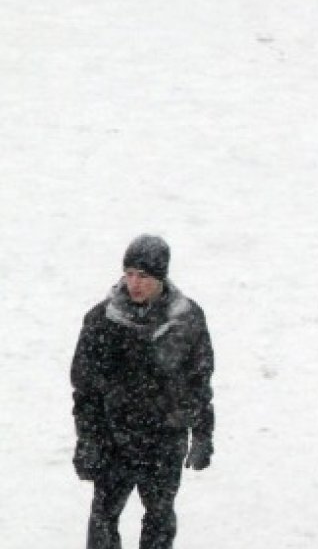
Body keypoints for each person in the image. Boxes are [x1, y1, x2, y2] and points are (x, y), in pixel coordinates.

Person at [71, 234, 215, 549]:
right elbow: (85, 391)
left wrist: (203, 434)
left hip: (165, 440)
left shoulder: (187, 320)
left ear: (161, 277)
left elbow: (199, 382)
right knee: (103, 518)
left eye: (144, 276)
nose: (134, 283)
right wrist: (88, 441)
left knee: (159, 520)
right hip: (114, 439)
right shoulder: (101, 321)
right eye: (129, 273)